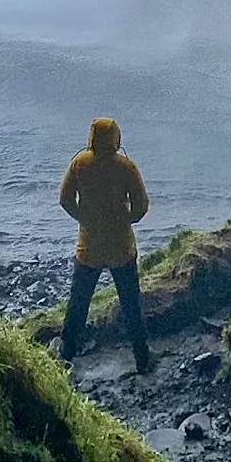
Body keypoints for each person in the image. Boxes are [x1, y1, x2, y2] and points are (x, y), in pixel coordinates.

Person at [58, 117, 152, 373]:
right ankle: (142, 360)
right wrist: (127, 220)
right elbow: (141, 205)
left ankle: (65, 358)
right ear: (116, 138)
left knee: (78, 304)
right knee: (131, 303)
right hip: (121, 246)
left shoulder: (80, 163)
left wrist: (83, 218)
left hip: (88, 247)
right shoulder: (126, 166)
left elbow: (65, 198)